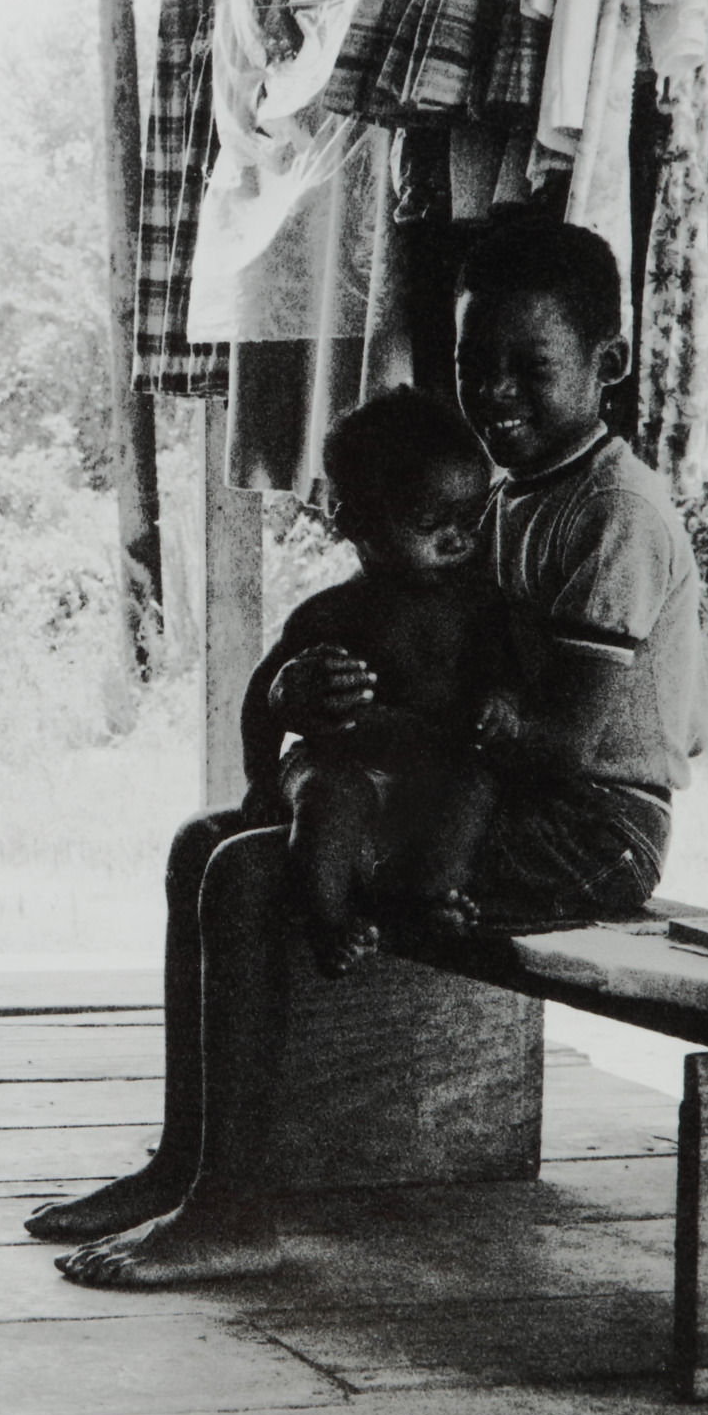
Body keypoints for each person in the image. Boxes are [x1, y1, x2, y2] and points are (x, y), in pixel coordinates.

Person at [28, 220, 708, 1288]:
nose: (496, 394)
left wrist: (383, 749)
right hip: (483, 795)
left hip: (590, 829)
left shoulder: (613, 508)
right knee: (203, 843)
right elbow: (402, 644)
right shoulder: (499, 490)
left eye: (530, 367)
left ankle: (235, 1207)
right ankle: (184, 1162)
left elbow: (556, 744)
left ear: (608, 365)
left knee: (253, 871)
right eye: (473, 365)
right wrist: (307, 693)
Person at [240, 388, 522, 978]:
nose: (457, 538)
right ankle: (327, 918)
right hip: (344, 763)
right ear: (355, 522)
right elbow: (262, 698)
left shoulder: (479, 606)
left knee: (475, 786)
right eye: (429, 521)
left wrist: (501, 701)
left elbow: (505, 669)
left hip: (432, 770)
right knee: (329, 796)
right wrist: (262, 780)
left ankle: (425, 898)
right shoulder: (331, 613)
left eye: (470, 519)